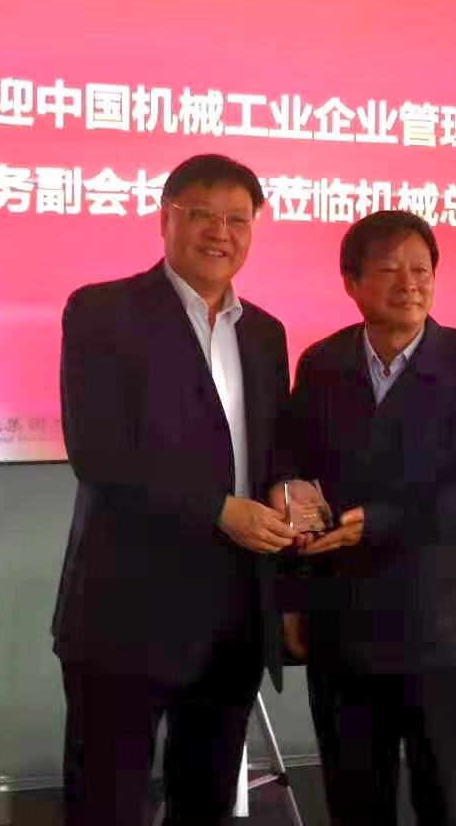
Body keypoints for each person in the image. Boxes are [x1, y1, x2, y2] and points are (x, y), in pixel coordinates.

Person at [52, 153, 298, 826]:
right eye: (202, 215)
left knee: (208, 798)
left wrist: (290, 491)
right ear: (165, 219)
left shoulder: (265, 333)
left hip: (234, 614)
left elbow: (270, 452)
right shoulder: (103, 313)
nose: (220, 232)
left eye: (238, 219)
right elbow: (99, 452)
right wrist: (219, 510)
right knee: (107, 800)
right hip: (126, 610)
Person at [279, 209, 456, 826]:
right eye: (389, 269)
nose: (409, 283)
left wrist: (382, 521)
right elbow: (292, 471)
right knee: (354, 801)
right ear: (351, 282)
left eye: (421, 269)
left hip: (440, 629)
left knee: (451, 802)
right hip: (342, 625)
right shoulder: (321, 364)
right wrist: (291, 593)